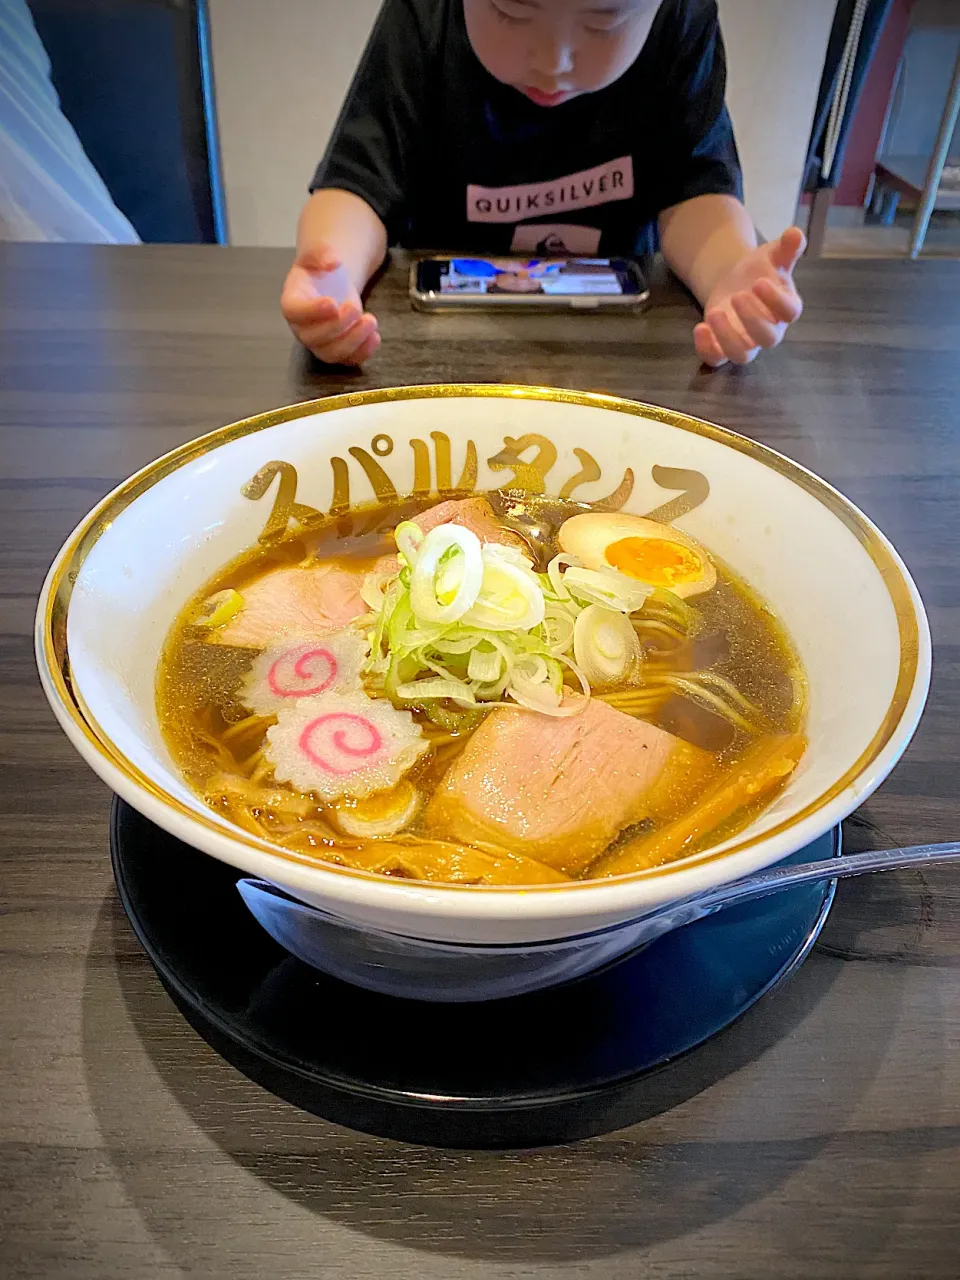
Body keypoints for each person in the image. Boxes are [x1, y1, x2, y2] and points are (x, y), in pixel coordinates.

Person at [281, 0, 804, 370]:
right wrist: (334, 276)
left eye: (605, 21)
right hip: (436, 342)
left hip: (620, 347)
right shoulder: (424, 13)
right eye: (512, 11)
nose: (553, 60)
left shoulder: (681, 20)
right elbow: (357, 186)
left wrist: (730, 274)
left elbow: (694, 191)